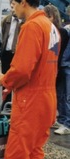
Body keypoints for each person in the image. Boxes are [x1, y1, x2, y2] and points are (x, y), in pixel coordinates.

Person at [0, 0, 60, 159]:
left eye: (13, 3)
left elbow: (22, 70)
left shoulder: (32, 26)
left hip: (31, 101)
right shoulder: (51, 26)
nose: (12, 8)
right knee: (34, 152)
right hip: (47, 98)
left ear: (24, 3)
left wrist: (4, 79)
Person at [44, 5, 70, 134]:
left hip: (61, 68)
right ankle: (59, 119)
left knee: (63, 96)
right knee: (57, 95)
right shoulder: (52, 30)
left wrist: (56, 69)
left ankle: (66, 123)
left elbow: (59, 54)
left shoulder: (61, 31)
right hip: (56, 68)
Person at [0, 0, 22, 106]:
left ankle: (16, 105)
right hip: (6, 54)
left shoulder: (24, 21)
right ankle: (6, 105)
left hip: (18, 54)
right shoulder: (6, 20)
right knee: (5, 81)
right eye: (11, 5)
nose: (13, 7)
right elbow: (4, 35)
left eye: (14, 4)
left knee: (17, 81)